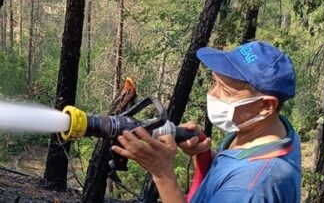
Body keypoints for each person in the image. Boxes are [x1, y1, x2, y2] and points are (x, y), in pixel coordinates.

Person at [112, 41, 302, 202]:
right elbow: (232, 167)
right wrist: (204, 155)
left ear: (266, 105)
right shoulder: (270, 131)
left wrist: (162, 173)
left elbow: (244, 179)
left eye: (226, 91)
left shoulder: (252, 187)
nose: (212, 94)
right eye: (214, 82)